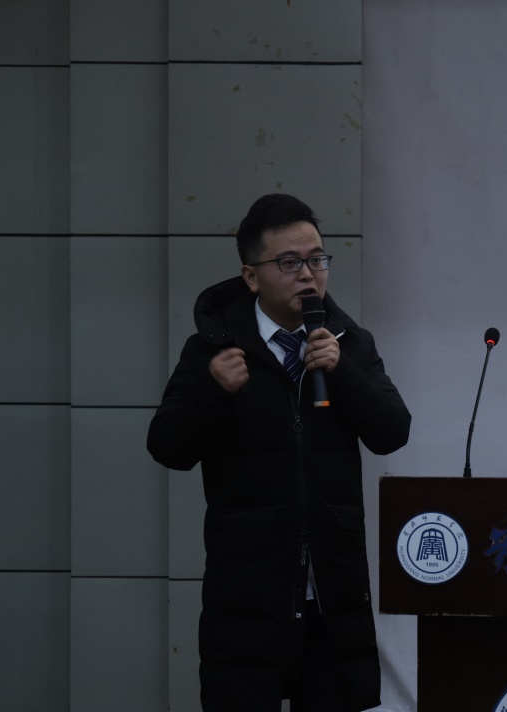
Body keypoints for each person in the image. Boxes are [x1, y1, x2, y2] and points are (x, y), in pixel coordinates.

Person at [147, 193, 411, 711]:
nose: (308, 275)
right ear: (251, 277)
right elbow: (167, 446)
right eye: (289, 263)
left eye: (317, 259)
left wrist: (342, 371)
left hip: (332, 597)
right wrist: (212, 392)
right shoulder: (213, 350)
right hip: (248, 597)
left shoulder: (350, 344)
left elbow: (392, 432)